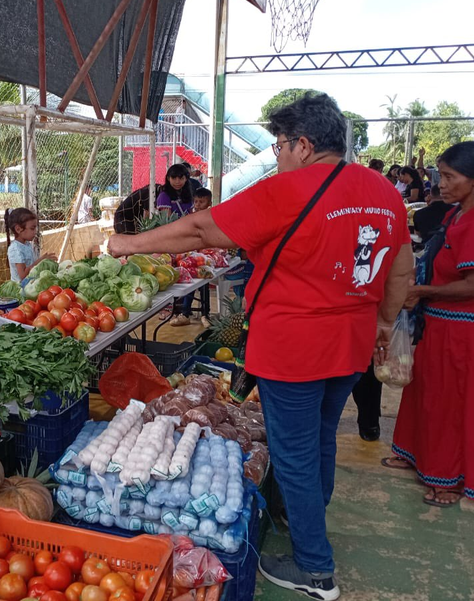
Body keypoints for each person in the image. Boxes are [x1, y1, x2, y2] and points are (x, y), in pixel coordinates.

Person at [109, 93, 413, 600]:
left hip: (294, 346)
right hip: (350, 345)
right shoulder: (383, 191)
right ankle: (303, 523)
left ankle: (316, 570)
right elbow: (400, 270)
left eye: (278, 146)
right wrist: (383, 327)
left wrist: (128, 243)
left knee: (293, 453)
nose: (276, 155)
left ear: (304, 144)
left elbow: (203, 229)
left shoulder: (287, 190)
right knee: (319, 439)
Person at [386, 142, 474, 507]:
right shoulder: (457, 214)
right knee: (427, 395)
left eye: (450, 176)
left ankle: (449, 478)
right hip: (441, 325)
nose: (441, 183)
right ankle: (415, 453)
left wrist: (421, 289)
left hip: (467, 332)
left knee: (454, 405)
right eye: (441, 174)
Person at [172, 187, 214, 327]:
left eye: (201, 202)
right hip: (191, 258)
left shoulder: (211, 217)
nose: (198, 205)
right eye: (196, 202)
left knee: (204, 286)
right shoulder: (189, 217)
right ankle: (185, 313)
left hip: (205, 259)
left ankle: (205, 314)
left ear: (209, 203)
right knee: (190, 284)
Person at [5, 207, 56, 282]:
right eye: (32, 228)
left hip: (30, 285)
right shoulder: (15, 249)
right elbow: (23, 276)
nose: (35, 232)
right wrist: (41, 261)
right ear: (18, 229)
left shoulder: (27, 244)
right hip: (20, 290)